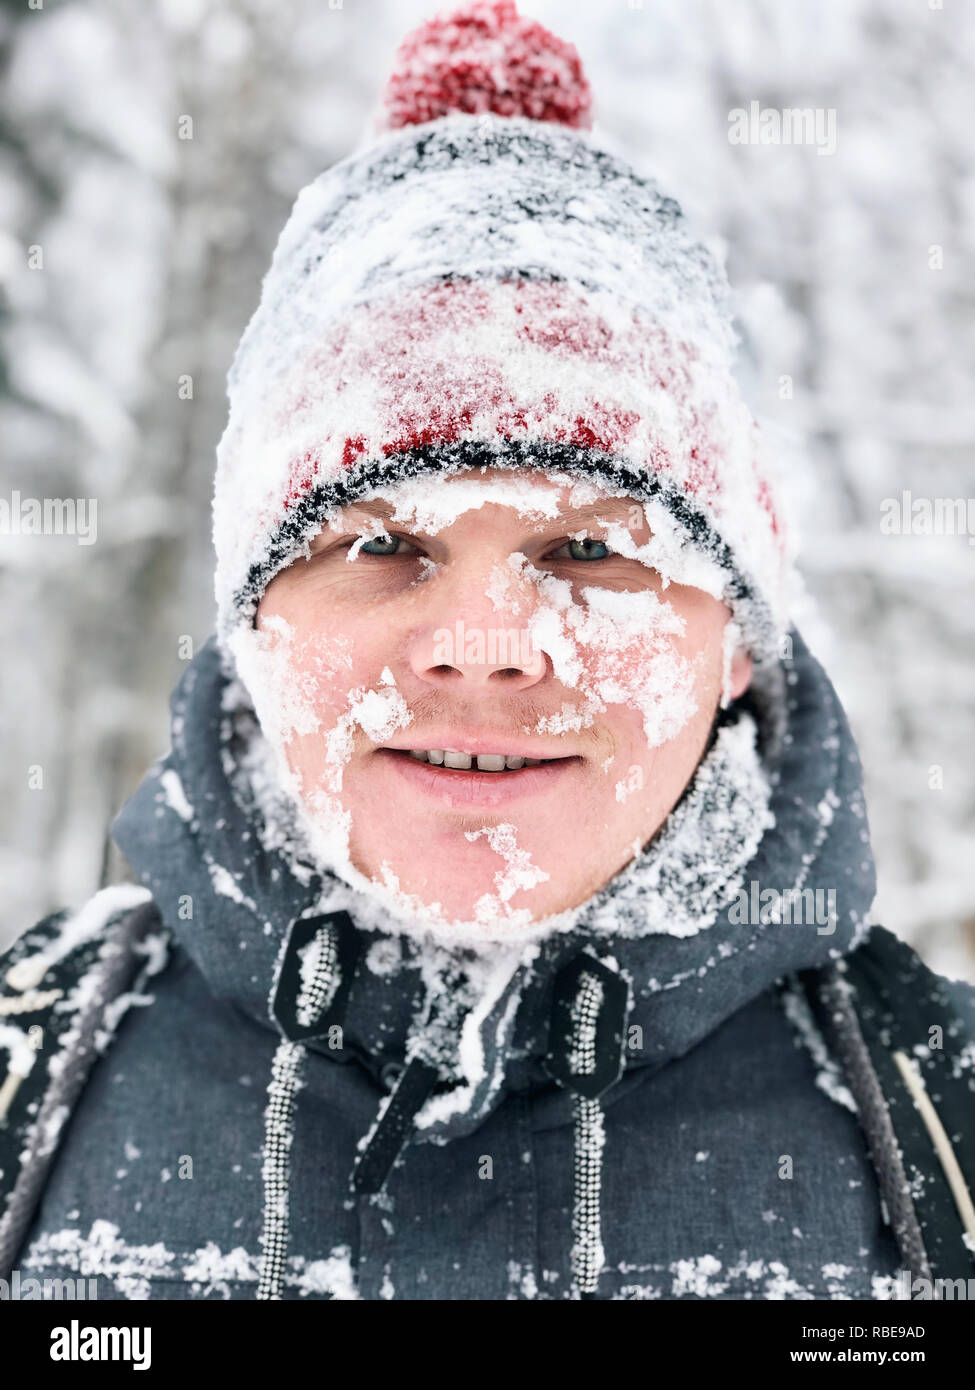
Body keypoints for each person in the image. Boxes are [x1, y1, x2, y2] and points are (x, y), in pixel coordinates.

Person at [1, 0, 973, 1302]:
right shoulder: (23, 1072)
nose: (481, 647)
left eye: (590, 553)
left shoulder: (947, 1126)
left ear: (738, 636)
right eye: (377, 546)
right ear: (253, 623)